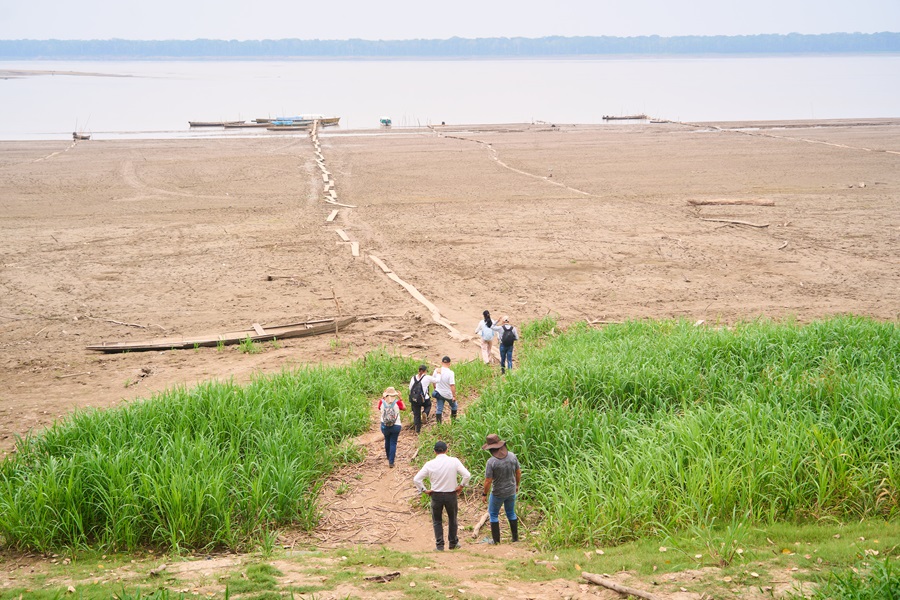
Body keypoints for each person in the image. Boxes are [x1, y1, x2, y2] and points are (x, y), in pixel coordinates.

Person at [414, 440, 471, 551]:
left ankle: (439, 545)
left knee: (437, 520)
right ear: (447, 450)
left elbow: (416, 479)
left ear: (434, 451)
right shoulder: (454, 461)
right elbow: (467, 475)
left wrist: (424, 490)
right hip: (451, 494)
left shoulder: (430, 464)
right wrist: (461, 486)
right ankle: (453, 542)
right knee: (452, 519)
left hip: (436, 495)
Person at [482, 433, 521, 544]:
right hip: (511, 490)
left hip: (498, 492)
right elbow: (518, 472)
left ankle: (496, 540)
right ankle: (515, 538)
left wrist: (484, 494)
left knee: (493, 514)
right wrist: (517, 485)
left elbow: (488, 481)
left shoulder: (491, 462)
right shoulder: (512, 456)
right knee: (511, 513)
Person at [377, 387, 406, 468]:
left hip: (384, 425)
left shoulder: (382, 402)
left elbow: (378, 408)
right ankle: (391, 461)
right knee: (393, 442)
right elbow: (404, 408)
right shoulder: (397, 402)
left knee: (387, 440)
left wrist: (383, 397)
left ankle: (388, 456)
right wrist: (401, 399)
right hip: (396, 425)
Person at [409, 364, 438, 434]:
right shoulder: (427, 377)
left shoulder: (413, 378)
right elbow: (437, 380)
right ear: (425, 371)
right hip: (424, 398)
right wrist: (439, 373)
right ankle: (425, 413)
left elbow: (410, 388)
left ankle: (417, 430)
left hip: (415, 399)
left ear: (418, 370)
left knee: (416, 414)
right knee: (428, 405)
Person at [432, 356, 457, 424]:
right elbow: (452, 385)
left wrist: (435, 388)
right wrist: (454, 396)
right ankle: (453, 422)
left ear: (441, 363)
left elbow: (433, 381)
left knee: (439, 409)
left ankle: (439, 425)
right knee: (454, 406)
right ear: (449, 364)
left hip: (439, 393)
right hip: (448, 394)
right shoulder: (450, 373)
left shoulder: (437, 370)